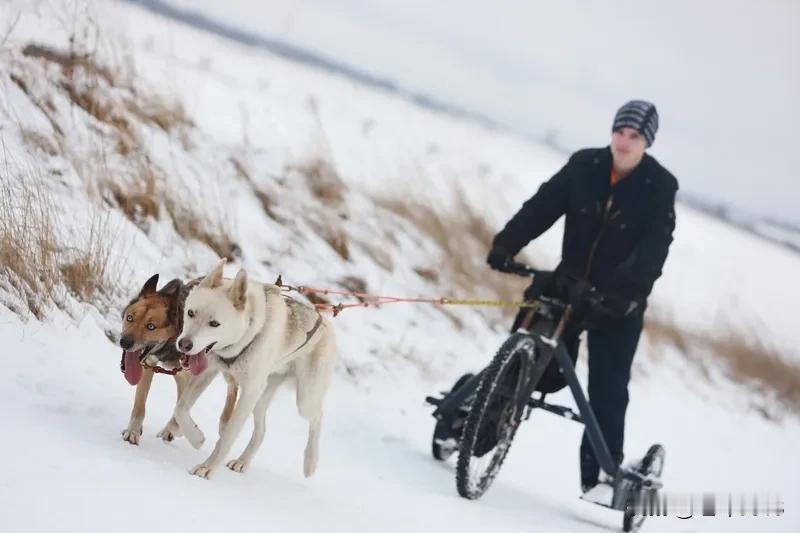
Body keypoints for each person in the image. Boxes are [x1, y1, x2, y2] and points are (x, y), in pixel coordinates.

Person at [486, 100, 678, 493]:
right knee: (529, 361)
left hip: (617, 304)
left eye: (634, 136)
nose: (624, 142)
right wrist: (507, 244)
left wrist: (629, 295)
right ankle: (478, 428)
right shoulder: (584, 165)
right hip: (567, 287)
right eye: (620, 132)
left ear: (647, 142)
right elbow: (542, 207)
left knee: (606, 389)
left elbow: (655, 249)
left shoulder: (659, 187)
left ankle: (603, 478)